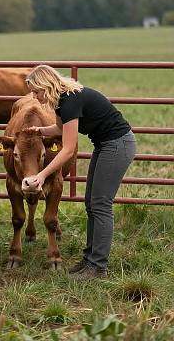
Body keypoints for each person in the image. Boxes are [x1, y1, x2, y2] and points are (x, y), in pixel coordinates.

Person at [23, 65, 136, 279]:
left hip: (118, 144)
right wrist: (38, 130)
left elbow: (67, 150)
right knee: (91, 203)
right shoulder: (60, 102)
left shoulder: (69, 101)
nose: (34, 97)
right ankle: (89, 259)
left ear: (45, 86)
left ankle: (98, 267)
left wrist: (42, 174)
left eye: (36, 92)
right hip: (105, 144)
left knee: (101, 205)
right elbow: (58, 129)